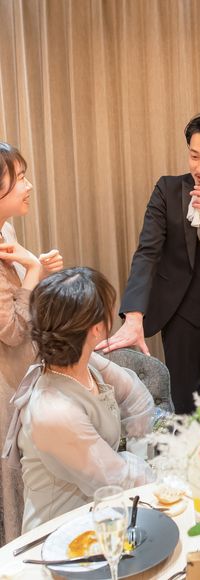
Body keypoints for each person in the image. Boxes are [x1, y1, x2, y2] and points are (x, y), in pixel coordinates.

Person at [98, 113, 200, 413]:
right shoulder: (167, 191)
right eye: (194, 155)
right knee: (186, 416)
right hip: (181, 323)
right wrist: (134, 315)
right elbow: (147, 253)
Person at [3, 267, 155, 532]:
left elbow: (136, 397)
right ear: (97, 328)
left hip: (105, 512)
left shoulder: (87, 363)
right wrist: (164, 478)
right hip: (61, 536)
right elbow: (116, 478)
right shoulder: (53, 411)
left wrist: (139, 451)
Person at [0, 143, 63, 544]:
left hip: (23, 370)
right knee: (15, 481)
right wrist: (34, 269)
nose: (29, 186)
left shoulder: (5, 229)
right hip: (6, 383)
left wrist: (34, 266)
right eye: (20, 178)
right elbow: (11, 329)